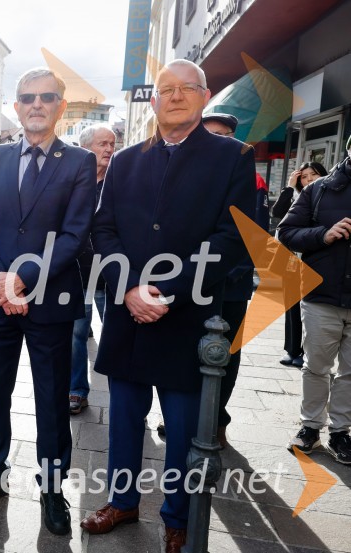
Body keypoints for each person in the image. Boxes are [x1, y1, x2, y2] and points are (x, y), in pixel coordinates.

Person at [82, 60, 254, 553]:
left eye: (186, 89)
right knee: (123, 419)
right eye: (165, 90)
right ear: (154, 101)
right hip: (128, 317)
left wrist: (167, 290)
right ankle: (122, 501)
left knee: (182, 430)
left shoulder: (233, 158)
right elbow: (104, 229)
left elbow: (233, 239)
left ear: (204, 97)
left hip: (188, 318)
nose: (175, 96)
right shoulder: (127, 159)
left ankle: (178, 516)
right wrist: (130, 288)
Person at [0, 67, 96, 536]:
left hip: (50, 300)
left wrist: (23, 278)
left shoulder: (78, 162)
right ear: (15, 107)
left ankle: (52, 488)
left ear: (60, 105)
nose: (35, 104)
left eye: (45, 97)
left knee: (52, 399)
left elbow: (76, 234)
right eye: (26, 97)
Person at [278, 135, 351, 466]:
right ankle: (310, 427)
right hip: (322, 295)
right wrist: (324, 234)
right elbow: (287, 233)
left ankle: (340, 433)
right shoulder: (319, 189)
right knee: (317, 367)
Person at [203, 112, 270, 447]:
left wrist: (220, 274)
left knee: (224, 355)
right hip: (196, 286)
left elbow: (254, 238)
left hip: (230, 286)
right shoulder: (193, 175)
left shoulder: (251, 181)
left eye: (224, 134)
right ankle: (194, 417)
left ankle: (216, 420)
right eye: (210, 134)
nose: (218, 140)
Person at [69, 123, 115, 416]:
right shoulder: (73, 182)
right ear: (86, 148)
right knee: (76, 334)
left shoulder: (119, 181)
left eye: (112, 143)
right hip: (81, 273)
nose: (109, 149)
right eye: (102, 144)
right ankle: (76, 390)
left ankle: (123, 394)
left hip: (113, 274)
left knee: (116, 334)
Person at [271, 161, 328, 368]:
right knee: (292, 306)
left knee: (316, 309)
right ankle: (293, 349)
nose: (309, 179)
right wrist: (289, 185)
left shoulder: (329, 194)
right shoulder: (295, 196)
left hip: (319, 259)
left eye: (313, 174)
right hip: (292, 260)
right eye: (304, 176)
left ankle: (309, 352)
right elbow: (277, 213)